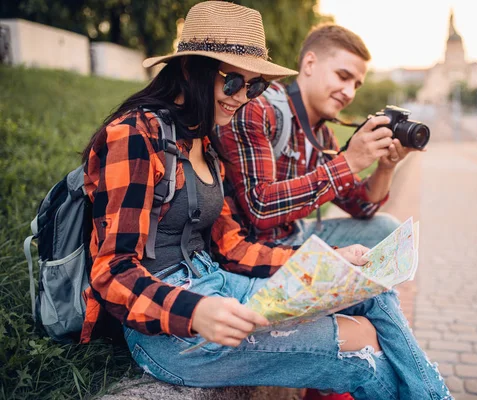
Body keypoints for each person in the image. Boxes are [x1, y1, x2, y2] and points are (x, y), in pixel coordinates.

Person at [80, 2, 451, 399]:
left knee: (373, 290)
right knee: (363, 347)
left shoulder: (202, 140)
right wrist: (194, 311)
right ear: (190, 69)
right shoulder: (135, 134)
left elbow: (233, 248)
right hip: (166, 330)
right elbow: (112, 271)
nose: (244, 97)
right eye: (232, 82)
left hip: (217, 283)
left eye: (254, 85)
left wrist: (329, 263)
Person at [214, 23, 418, 257]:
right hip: (253, 250)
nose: (349, 93)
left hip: (295, 235)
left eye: (356, 85)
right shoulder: (258, 108)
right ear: (310, 64)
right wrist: (349, 162)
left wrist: (386, 166)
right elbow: (260, 208)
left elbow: (361, 206)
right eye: (343, 76)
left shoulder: (322, 135)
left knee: (387, 230)